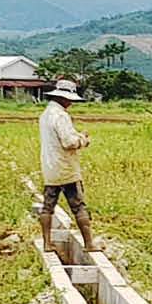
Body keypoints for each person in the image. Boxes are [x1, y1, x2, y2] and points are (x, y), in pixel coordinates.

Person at [38, 79, 99, 251]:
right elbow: (68, 142)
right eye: (69, 99)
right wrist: (83, 140)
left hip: (50, 168)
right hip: (66, 169)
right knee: (78, 205)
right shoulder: (61, 116)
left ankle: (47, 243)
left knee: (48, 206)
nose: (71, 103)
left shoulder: (45, 114)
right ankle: (89, 244)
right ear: (64, 98)